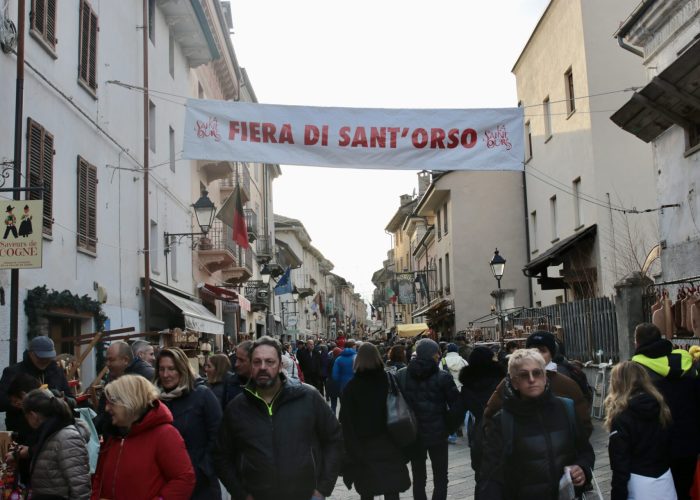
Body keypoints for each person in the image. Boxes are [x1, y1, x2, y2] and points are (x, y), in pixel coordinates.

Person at [214, 336, 343, 500]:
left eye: (269, 362)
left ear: (280, 365)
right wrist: (241, 493)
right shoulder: (237, 407)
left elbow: (334, 439)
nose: (263, 367)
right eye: (257, 362)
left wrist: (322, 489)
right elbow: (221, 455)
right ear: (251, 366)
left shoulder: (308, 397)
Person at [478, 349, 595, 499]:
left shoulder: (566, 409)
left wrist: (582, 469)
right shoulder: (503, 421)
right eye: (524, 375)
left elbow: (585, 451)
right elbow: (490, 478)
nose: (532, 379)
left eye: (537, 373)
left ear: (545, 376)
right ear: (514, 382)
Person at [91, 374, 195, 499]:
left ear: (130, 400)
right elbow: (99, 478)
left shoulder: (164, 434)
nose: (107, 408)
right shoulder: (114, 435)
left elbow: (184, 479)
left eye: (112, 402)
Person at [631, 322, 700, 500]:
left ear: (637, 343)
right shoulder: (687, 363)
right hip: (689, 444)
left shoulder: (637, 371)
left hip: (657, 447)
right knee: (685, 490)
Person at [484, 331, 593, 440]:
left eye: (542, 350)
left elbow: (583, 423)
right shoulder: (511, 382)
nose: (537, 354)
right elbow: (490, 416)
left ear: (551, 354)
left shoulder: (566, 384)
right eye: (533, 350)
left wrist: (568, 450)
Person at [340, 343, 410, 500]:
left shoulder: (352, 387)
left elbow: (346, 422)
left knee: (367, 490)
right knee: (392, 489)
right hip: (391, 441)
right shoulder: (389, 380)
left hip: (364, 447)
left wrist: (351, 451)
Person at [0, 335, 73, 483]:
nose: (45, 361)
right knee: (22, 482)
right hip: (22, 436)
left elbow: (70, 399)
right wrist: (18, 404)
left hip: (51, 436)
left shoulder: (56, 371)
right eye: (41, 357)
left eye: (48, 357)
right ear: (31, 353)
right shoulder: (13, 371)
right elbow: (1, 401)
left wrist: (60, 400)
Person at [397, 338, 462, 500]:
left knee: (419, 477)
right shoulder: (443, 377)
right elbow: (456, 406)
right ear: (433, 355)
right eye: (437, 353)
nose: (439, 356)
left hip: (413, 434)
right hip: (437, 433)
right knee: (441, 476)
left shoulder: (402, 375)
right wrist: (448, 427)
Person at [156, 347, 223, 500]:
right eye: (162, 369)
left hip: (201, 487)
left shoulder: (202, 395)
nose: (166, 375)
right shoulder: (156, 400)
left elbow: (219, 436)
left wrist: (203, 470)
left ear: (182, 369)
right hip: (167, 486)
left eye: (171, 369)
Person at [605, 361, 676, 500]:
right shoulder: (662, 407)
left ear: (617, 383)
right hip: (665, 481)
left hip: (639, 485)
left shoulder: (621, 417)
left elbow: (620, 466)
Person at [21, 388, 91, 500]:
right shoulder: (48, 433)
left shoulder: (66, 437)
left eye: (26, 417)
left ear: (33, 416)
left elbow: (80, 487)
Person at [458, 346, 506, 479]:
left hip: (480, 430)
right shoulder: (502, 381)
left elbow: (458, 411)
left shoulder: (467, 386)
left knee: (480, 474)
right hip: (503, 427)